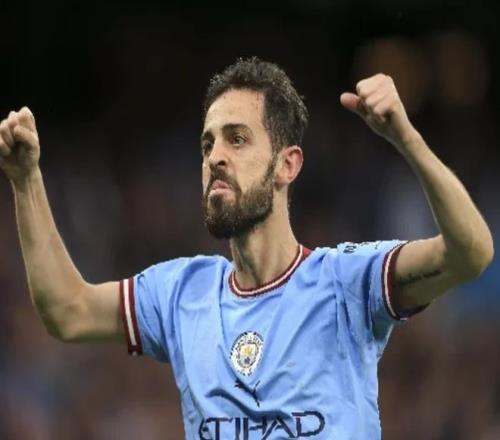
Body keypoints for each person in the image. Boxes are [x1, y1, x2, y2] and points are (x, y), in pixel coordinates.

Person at [0, 57, 493, 439]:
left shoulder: (347, 281)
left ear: (287, 165)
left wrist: (405, 137)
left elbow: (471, 252)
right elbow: (66, 312)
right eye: (207, 144)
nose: (215, 156)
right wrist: (26, 180)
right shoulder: (180, 293)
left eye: (237, 139)